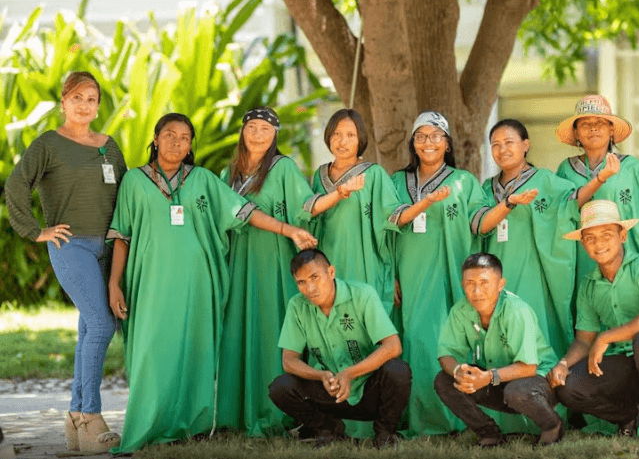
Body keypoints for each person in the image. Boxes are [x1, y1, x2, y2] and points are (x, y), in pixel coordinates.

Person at [106, 113, 317, 453]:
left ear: (191, 145)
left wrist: (287, 229)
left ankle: (194, 426)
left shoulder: (203, 180)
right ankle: (145, 427)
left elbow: (243, 211)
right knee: (151, 354)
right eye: (170, 135)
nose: (177, 142)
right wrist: (115, 283)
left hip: (199, 284)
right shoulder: (133, 181)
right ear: (155, 139)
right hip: (151, 285)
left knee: (196, 352)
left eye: (185, 137)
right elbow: (121, 237)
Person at [216, 107, 363, 437]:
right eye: (252, 127)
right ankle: (234, 416)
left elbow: (307, 206)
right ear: (242, 131)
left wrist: (337, 194)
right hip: (239, 263)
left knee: (270, 332)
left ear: (275, 136)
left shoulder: (282, 168)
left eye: (265, 130)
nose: (258, 134)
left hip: (273, 264)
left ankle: (273, 414)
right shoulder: (230, 173)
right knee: (238, 333)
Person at [4, 71, 126, 454]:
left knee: (89, 328)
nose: (85, 105)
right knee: (102, 323)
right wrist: (35, 230)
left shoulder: (109, 146)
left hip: (107, 250)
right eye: (77, 97)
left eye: (92, 98)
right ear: (63, 102)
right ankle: (90, 415)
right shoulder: (48, 145)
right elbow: (15, 185)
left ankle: (76, 423)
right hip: (71, 246)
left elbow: (127, 197)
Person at [391, 111, 529, 436]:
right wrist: (391, 276)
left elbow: (479, 223)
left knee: (448, 342)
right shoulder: (396, 182)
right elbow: (386, 230)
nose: (429, 142)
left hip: (453, 276)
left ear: (447, 143)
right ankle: (420, 419)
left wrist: (508, 204)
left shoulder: (463, 182)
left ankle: (455, 418)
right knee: (416, 342)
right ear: (412, 142)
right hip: (410, 278)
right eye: (421, 136)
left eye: (436, 136)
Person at [549, 200, 639, 456]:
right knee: (568, 387)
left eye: (607, 235)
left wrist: (607, 336)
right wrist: (563, 363)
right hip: (630, 366)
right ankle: (627, 416)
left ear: (622, 235)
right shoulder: (589, 286)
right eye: (590, 238)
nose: (599, 243)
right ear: (583, 244)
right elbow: (584, 341)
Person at [268, 249, 411, 449]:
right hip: (329, 392)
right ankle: (328, 430)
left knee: (398, 371)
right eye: (301, 282)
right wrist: (321, 376)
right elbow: (289, 360)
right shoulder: (297, 306)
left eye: (314, 277)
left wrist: (349, 374)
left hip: (366, 390)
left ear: (332, 272)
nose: (309, 288)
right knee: (280, 388)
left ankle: (384, 435)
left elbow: (393, 346)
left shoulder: (362, 295)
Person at [435, 253, 564, 447]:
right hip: (496, 379)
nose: (477, 291)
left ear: (500, 284)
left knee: (516, 390)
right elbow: (446, 353)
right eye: (470, 283)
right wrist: (458, 371)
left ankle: (552, 426)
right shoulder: (460, 311)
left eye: (484, 282)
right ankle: (489, 432)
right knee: (445, 381)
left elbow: (528, 367)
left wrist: (486, 378)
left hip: (538, 382)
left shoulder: (517, 311)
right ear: (463, 285)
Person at [481, 119, 577, 374]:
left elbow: (574, 204)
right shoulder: (486, 188)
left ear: (526, 145)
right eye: (496, 144)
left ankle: (541, 404)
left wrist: (600, 179)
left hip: (533, 274)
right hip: (495, 278)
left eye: (509, 142)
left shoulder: (545, 180)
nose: (502, 149)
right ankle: (502, 412)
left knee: (533, 337)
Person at [555, 96, 639, 297]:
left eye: (600, 122)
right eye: (585, 124)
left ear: (611, 130)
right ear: (576, 132)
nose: (593, 128)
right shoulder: (566, 170)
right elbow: (561, 212)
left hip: (626, 262)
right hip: (582, 261)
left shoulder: (633, 168)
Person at [307, 109, 403, 316]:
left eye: (351, 135)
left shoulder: (374, 174)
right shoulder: (320, 175)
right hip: (327, 261)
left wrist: (393, 273)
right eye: (336, 134)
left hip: (364, 263)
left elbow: (391, 225)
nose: (342, 141)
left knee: (362, 321)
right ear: (328, 137)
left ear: (361, 139)